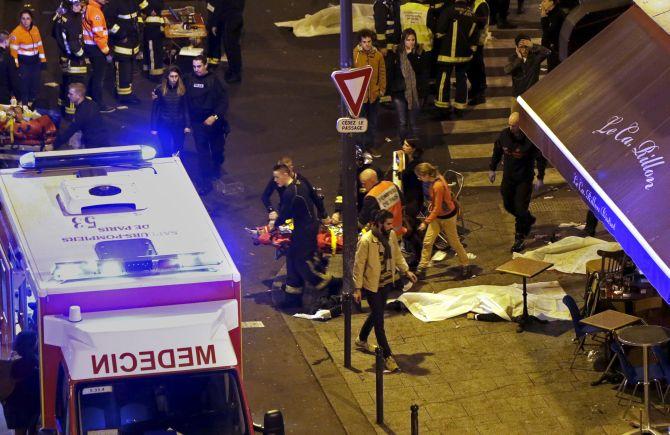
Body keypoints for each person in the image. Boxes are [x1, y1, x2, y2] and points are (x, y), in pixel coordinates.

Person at [354, 209, 417, 373]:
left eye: (391, 223)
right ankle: (387, 356)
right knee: (379, 323)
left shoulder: (391, 236)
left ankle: (361, 340)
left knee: (377, 312)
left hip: (387, 282)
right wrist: (357, 288)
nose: (391, 227)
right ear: (379, 223)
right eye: (388, 224)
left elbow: (396, 255)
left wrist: (406, 271)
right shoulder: (366, 240)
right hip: (372, 286)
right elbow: (358, 266)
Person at [272, 164, 334, 296]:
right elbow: (315, 197)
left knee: (300, 258)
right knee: (299, 255)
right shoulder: (301, 181)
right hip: (310, 225)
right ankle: (295, 286)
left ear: (285, 174)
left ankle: (321, 282)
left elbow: (284, 214)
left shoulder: (289, 192)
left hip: (304, 229)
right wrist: (323, 215)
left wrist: (274, 226)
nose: (275, 180)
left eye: (277, 177)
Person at [488, 112, 547, 252]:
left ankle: (519, 238)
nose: (511, 128)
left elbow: (541, 158)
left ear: (521, 126)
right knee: (508, 205)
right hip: (508, 178)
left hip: (524, 179)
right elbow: (497, 151)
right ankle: (527, 219)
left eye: (514, 126)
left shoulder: (530, 140)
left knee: (520, 207)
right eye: (509, 125)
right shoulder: (504, 136)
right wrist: (492, 169)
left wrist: (540, 177)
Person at [414, 162, 470, 279]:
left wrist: (426, 222)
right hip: (439, 216)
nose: (419, 179)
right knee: (427, 242)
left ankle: (465, 263)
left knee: (454, 242)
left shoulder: (437, 186)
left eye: (420, 176)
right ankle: (422, 266)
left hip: (446, 217)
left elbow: (437, 208)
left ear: (425, 175)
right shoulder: (437, 177)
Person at [185, 55, 230, 195]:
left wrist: (215, 116)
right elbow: (172, 85)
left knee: (216, 150)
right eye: (194, 66)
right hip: (198, 123)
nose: (196, 69)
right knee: (203, 153)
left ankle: (216, 168)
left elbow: (224, 101)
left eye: (199, 66)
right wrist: (157, 92)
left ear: (205, 65)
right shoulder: (188, 79)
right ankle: (206, 183)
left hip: (215, 122)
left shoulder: (215, 80)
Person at [433, 0, 478, 119]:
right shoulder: (472, 14)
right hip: (464, 54)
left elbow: (439, 32)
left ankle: (442, 108)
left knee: (443, 79)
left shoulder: (448, 11)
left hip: (447, 53)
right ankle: (460, 108)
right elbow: (474, 36)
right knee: (462, 79)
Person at [386, 28, 429, 141]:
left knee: (414, 122)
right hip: (399, 91)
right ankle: (403, 144)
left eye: (413, 39)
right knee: (403, 122)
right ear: (403, 40)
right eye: (408, 40)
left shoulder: (420, 52)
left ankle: (414, 146)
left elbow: (421, 70)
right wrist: (390, 91)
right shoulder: (396, 53)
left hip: (415, 91)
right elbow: (390, 72)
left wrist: (411, 56)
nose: (411, 42)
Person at [261, 157, 328, 224]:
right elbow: (265, 196)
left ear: (291, 168)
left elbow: (314, 196)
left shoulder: (301, 180)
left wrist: (324, 215)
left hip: (300, 214)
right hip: (285, 212)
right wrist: (271, 210)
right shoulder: (277, 179)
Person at [353, 29, 386, 156]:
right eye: (364, 42)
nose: (367, 44)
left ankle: (369, 147)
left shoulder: (377, 56)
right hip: (360, 97)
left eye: (369, 41)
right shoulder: (354, 54)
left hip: (373, 96)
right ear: (360, 42)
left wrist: (381, 90)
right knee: (361, 124)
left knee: (372, 124)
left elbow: (382, 73)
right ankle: (360, 148)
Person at [52, 0, 88, 116]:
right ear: (71, 5)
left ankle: (64, 107)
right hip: (74, 59)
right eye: (77, 4)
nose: (80, 6)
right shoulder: (72, 19)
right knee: (74, 86)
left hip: (65, 57)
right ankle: (71, 113)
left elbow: (56, 34)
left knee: (66, 84)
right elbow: (73, 43)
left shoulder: (63, 17)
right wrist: (83, 55)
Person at [1, 331, 40, 435]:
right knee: (32, 430)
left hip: (14, 406)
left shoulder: (13, 360)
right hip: (30, 406)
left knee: (20, 432)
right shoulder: (35, 362)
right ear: (31, 344)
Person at [106, 0, 142, 105]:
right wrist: (121, 34)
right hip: (121, 43)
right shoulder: (114, 3)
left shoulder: (132, 2)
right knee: (123, 70)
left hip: (132, 42)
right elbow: (109, 23)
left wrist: (139, 27)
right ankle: (123, 96)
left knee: (129, 70)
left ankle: (127, 93)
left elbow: (137, 16)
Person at [54, 83, 110, 149]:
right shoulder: (89, 103)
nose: (68, 96)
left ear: (78, 95)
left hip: (94, 144)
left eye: (71, 94)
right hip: (101, 139)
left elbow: (71, 130)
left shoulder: (82, 111)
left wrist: (55, 145)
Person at [9, 10, 47, 108]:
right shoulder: (16, 33)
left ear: (31, 19)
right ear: (20, 20)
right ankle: (24, 108)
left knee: (35, 86)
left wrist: (43, 61)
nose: (26, 21)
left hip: (35, 63)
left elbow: (40, 45)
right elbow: (13, 53)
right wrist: (16, 67)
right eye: (23, 18)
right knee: (24, 87)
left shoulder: (35, 29)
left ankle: (32, 108)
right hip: (23, 64)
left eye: (28, 18)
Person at [82, 0, 115, 113]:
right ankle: (98, 104)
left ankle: (90, 98)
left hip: (90, 47)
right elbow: (98, 37)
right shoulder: (96, 12)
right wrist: (107, 52)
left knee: (95, 75)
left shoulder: (89, 8)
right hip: (97, 49)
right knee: (99, 78)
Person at [150, 66, 190, 156]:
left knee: (179, 149)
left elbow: (185, 108)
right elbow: (156, 109)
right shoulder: (159, 89)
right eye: (172, 76)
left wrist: (187, 125)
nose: (174, 79)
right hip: (164, 124)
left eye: (176, 76)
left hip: (179, 124)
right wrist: (153, 127)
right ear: (167, 77)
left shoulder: (182, 89)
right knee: (166, 148)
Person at [504, 34, 551, 103]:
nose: (524, 50)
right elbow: (507, 70)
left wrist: (533, 45)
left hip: (533, 94)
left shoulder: (535, 57)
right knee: (514, 114)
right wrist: (519, 59)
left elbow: (548, 52)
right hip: (518, 96)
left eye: (526, 47)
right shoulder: (513, 58)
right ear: (516, 48)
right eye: (521, 47)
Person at [206, 0, 245, 83]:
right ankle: (234, 70)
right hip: (234, 15)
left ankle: (235, 73)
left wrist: (214, 23)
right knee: (233, 46)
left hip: (228, 17)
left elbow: (218, 4)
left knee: (231, 46)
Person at [358, 168, 404, 236]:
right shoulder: (391, 184)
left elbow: (362, 221)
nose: (363, 186)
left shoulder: (371, 196)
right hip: (398, 231)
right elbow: (403, 203)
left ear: (371, 181)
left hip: (384, 237)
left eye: (364, 183)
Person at [467, 0, 490, 106]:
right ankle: (474, 89)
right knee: (471, 67)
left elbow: (482, 22)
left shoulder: (481, 4)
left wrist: (469, 18)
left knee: (477, 66)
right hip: (471, 41)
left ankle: (480, 93)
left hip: (478, 41)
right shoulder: (472, 3)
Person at [141, 0, 165, 82]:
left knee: (156, 50)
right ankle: (155, 75)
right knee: (153, 51)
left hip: (156, 26)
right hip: (151, 27)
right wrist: (149, 11)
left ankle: (153, 71)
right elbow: (142, 3)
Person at [540, 0, 565, 72]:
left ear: (551, 2)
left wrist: (543, 17)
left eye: (544, 1)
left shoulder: (558, 14)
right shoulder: (550, 13)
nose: (542, 3)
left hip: (556, 49)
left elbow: (547, 32)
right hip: (550, 49)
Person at [0, 31, 18, 105]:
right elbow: (13, 79)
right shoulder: (9, 58)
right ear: (6, 41)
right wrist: (16, 94)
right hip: (3, 95)